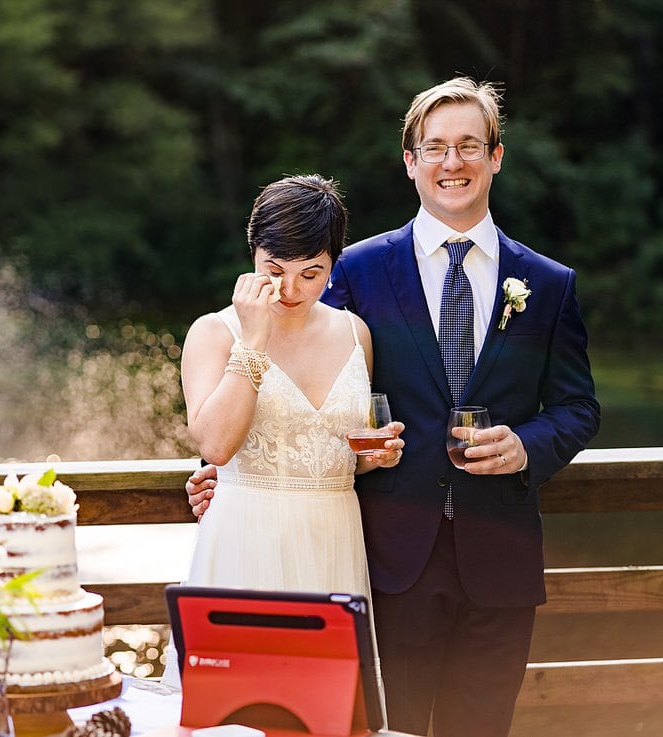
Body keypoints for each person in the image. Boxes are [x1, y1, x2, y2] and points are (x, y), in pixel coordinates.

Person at [188, 79, 600, 737]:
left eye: (469, 145)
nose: (452, 162)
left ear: (496, 156)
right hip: (387, 566)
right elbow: (284, 360)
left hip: (500, 562)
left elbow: (579, 407)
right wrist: (227, 474)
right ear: (410, 161)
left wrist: (528, 443)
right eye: (434, 147)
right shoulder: (352, 267)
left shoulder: (548, 284)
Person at [162, 175, 403, 689]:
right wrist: (253, 339)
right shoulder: (213, 332)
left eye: (312, 273)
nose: (290, 290)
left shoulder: (354, 332)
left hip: (334, 536)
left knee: (330, 704)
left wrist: (372, 456)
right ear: (253, 255)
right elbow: (216, 444)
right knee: (237, 704)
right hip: (246, 535)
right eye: (275, 270)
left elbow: (335, 448)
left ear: (334, 266)